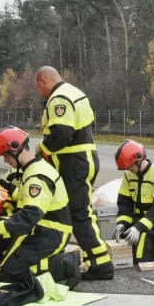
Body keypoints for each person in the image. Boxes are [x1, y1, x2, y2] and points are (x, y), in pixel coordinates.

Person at [0, 126, 79, 290]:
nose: (6, 161)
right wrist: (8, 187)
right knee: (4, 267)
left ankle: (64, 266)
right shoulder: (33, 168)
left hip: (49, 232)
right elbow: (29, 200)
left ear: (16, 149)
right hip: (41, 228)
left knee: (7, 278)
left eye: (6, 156)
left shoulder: (37, 176)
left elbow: (29, 216)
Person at [34, 66, 113, 280]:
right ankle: (95, 260)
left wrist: (42, 150)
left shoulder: (59, 98)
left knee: (79, 214)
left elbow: (61, 134)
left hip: (74, 162)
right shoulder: (74, 92)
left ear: (44, 80)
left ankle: (101, 264)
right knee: (76, 212)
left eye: (39, 86)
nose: (39, 91)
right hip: (80, 160)